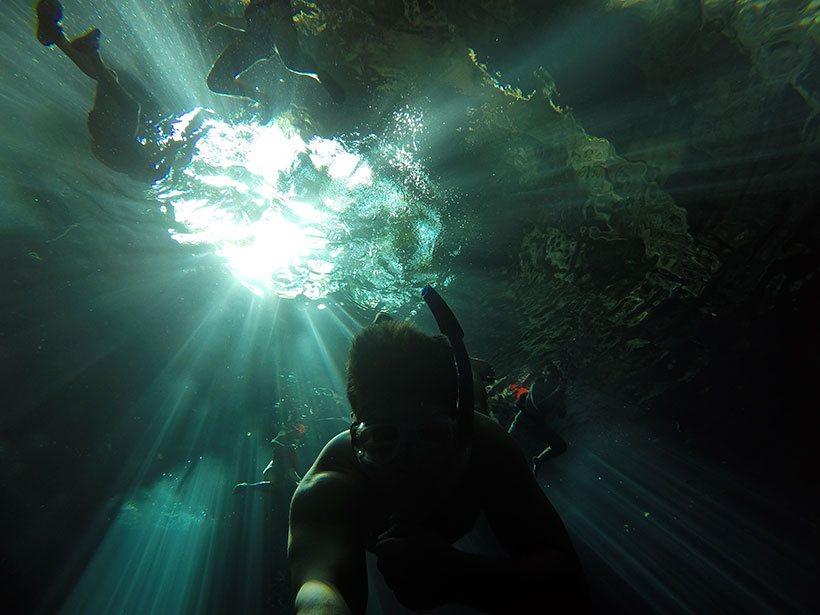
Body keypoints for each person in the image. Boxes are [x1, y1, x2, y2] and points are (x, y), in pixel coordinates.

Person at [288, 286, 588, 614]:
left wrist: (461, 576)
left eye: (430, 436)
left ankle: (467, 369)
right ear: (354, 434)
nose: (408, 464)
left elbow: (568, 581)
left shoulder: (481, 440)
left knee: (473, 390)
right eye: (383, 439)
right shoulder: (330, 484)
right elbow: (319, 592)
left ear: (457, 429)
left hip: (465, 399)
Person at [35, 0, 201, 183]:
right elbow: (162, 158)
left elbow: (160, 166)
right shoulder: (135, 159)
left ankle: (88, 51)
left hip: (109, 134)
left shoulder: (134, 164)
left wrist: (185, 144)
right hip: (105, 131)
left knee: (130, 106)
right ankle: (56, 37)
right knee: (109, 78)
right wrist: (183, 144)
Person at [206, 0, 345, 108]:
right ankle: (264, 100)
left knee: (291, 61)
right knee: (215, 81)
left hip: (274, 15)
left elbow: (251, 24)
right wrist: (219, 19)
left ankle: (319, 75)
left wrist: (220, 19)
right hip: (257, 33)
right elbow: (250, 24)